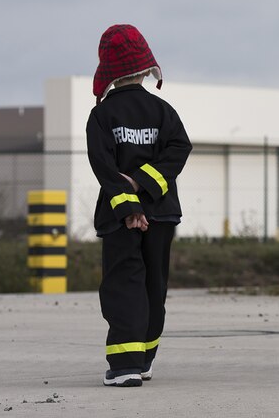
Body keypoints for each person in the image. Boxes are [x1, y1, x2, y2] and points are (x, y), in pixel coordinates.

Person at [86, 24, 192, 387]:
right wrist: (146, 185)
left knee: (123, 283)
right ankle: (144, 358)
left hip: (120, 218)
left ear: (108, 72)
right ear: (147, 68)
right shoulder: (164, 111)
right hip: (161, 215)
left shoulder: (100, 117)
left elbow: (103, 166)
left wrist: (130, 204)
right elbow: (180, 149)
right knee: (153, 284)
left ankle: (125, 365)